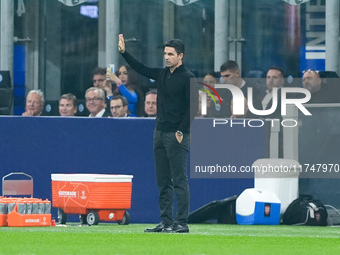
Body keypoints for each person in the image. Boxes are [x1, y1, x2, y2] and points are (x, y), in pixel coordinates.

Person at [118, 33, 198, 233]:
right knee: (163, 181)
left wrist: (181, 130)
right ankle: (166, 222)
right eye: (165, 53)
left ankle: (182, 223)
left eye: (171, 54)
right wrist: (124, 53)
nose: (167, 57)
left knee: (179, 180)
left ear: (181, 56)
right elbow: (141, 68)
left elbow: (193, 107)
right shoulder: (163, 74)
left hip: (177, 135)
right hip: (160, 133)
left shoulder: (188, 77)